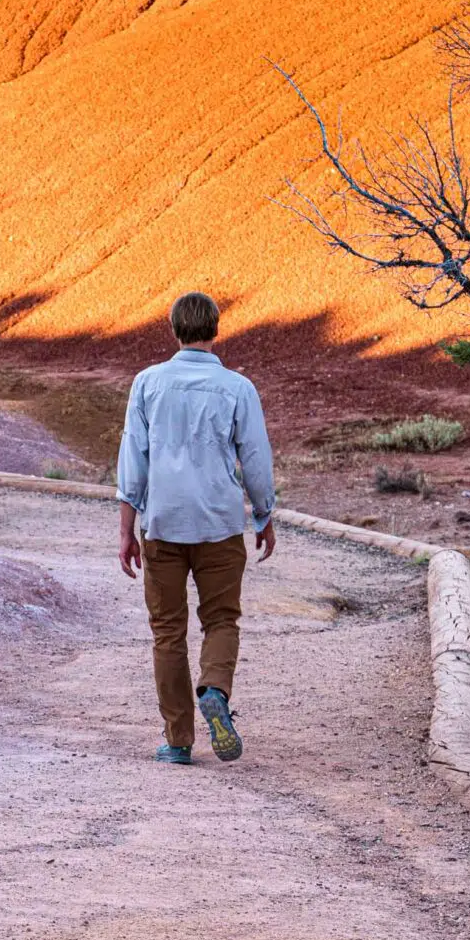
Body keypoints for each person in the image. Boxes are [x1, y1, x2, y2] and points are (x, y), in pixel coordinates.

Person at [116, 291, 276, 765]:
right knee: (221, 619)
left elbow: (133, 461)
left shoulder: (147, 383)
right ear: (215, 329)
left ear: (174, 330)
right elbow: (256, 458)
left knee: (167, 633)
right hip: (220, 524)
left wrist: (127, 529)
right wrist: (264, 515)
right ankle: (215, 691)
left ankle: (178, 740)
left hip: (163, 524)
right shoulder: (237, 388)